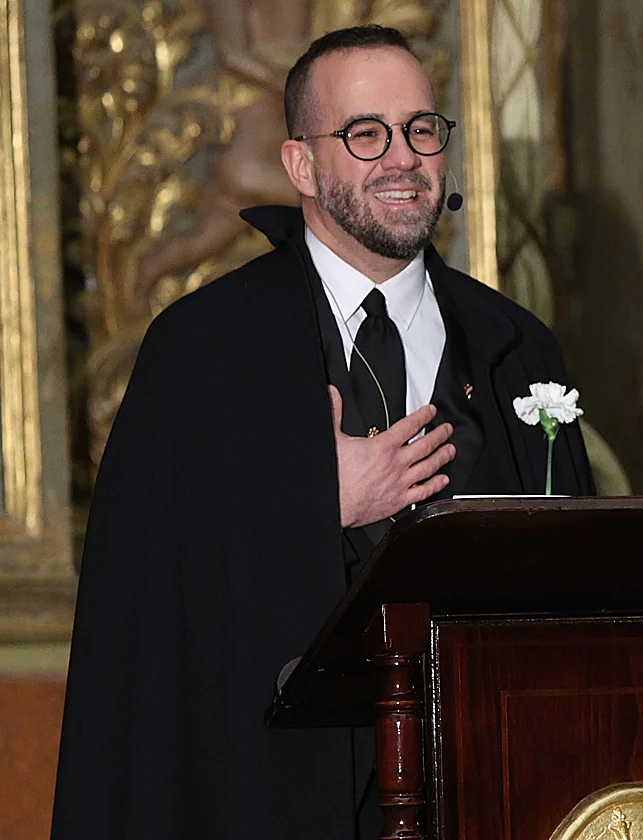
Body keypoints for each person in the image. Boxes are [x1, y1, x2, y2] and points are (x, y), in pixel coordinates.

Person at [51, 24, 594, 840]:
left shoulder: (517, 345)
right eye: (365, 134)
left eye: (420, 128)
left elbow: (576, 593)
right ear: (301, 164)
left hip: (484, 788)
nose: (403, 158)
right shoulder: (201, 348)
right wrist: (314, 501)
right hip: (270, 792)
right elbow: (141, 602)